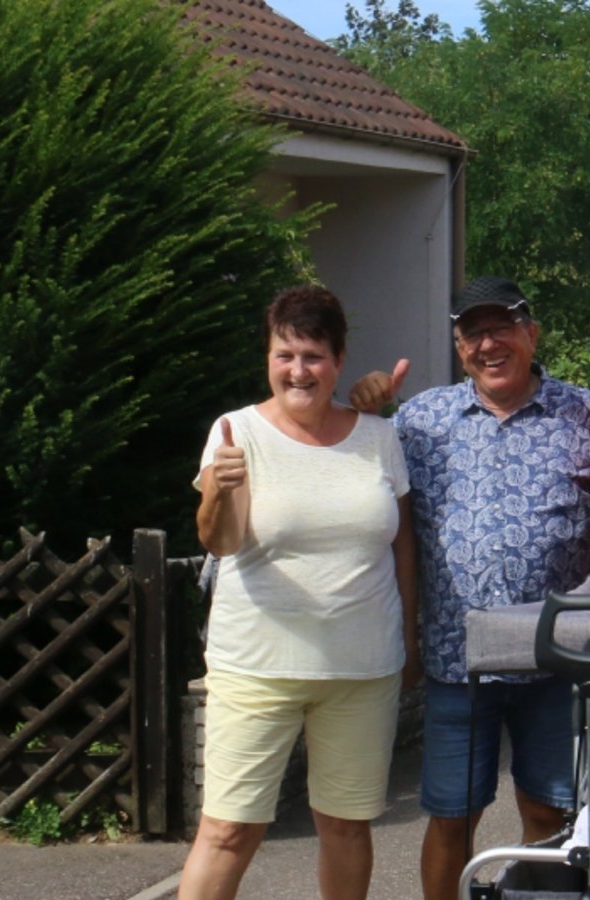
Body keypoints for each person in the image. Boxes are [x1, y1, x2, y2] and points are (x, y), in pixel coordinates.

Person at [347, 276, 590, 900]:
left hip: (557, 659)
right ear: (460, 346)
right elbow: (363, 496)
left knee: (549, 813)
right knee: (452, 816)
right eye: (473, 332)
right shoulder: (420, 418)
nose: (489, 343)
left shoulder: (587, 411)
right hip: (457, 661)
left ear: (531, 334)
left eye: (503, 327)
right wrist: (361, 411)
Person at [181, 285, 419, 900]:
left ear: (338, 361)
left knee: (345, 826)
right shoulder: (236, 432)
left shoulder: (377, 437)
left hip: (362, 670)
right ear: (268, 358)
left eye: (313, 356)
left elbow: (402, 547)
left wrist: (410, 639)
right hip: (257, 667)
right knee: (229, 831)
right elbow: (221, 542)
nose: (298, 370)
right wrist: (215, 495)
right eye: (284, 354)